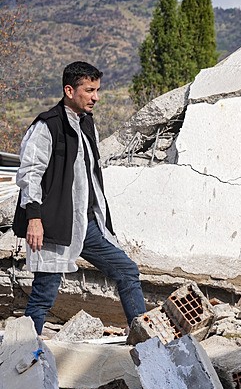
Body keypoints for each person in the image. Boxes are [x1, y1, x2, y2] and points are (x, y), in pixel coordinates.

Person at [12, 61, 146, 334]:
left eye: (97, 90)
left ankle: (146, 343)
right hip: (54, 225)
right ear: (69, 90)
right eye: (89, 90)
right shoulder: (46, 126)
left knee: (127, 271)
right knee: (43, 296)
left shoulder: (87, 125)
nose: (95, 97)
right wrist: (34, 218)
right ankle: (24, 355)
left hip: (86, 225)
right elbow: (29, 175)